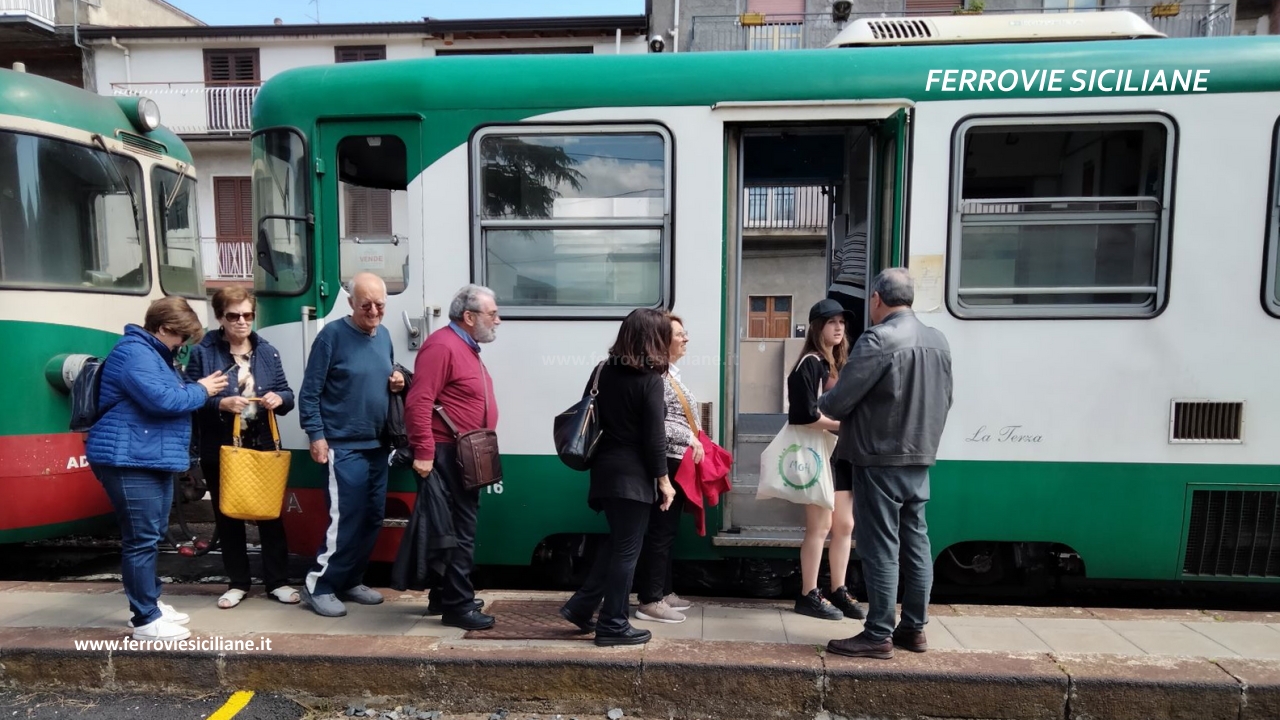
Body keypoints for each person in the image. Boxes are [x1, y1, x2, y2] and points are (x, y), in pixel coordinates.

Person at [819, 268, 953, 659]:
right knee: (916, 541)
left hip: (879, 456)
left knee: (880, 546)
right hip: (919, 454)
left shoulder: (878, 338)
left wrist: (827, 398)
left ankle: (878, 632)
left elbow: (837, 402)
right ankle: (914, 628)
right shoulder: (938, 340)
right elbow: (946, 399)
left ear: (876, 298)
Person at [86, 297, 229, 641]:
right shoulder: (134, 353)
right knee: (141, 540)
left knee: (148, 537)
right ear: (164, 328)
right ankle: (145, 619)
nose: (182, 346)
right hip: (129, 459)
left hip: (147, 456)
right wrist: (201, 389)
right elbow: (165, 401)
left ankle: (151, 603)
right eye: (180, 337)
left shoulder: (151, 355)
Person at [560, 308, 676, 647]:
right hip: (634, 477)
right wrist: (664, 481)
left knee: (619, 544)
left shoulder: (602, 371)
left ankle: (581, 608)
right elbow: (655, 438)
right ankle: (612, 623)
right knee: (628, 551)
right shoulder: (651, 380)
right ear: (654, 338)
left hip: (605, 471)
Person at [298, 272, 405, 617]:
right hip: (342, 446)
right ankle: (320, 585)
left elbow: (383, 371)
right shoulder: (332, 336)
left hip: (377, 444)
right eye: (366, 305)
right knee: (345, 519)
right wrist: (316, 436)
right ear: (350, 304)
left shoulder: (384, 335)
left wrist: (398, 376)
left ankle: (350, 579)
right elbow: (310, 392)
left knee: (371, 518)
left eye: (380, 305)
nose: (373, 311)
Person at [186, 286, 298, 610]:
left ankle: (277, 582)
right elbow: (190, 399)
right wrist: (221, 403)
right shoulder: (203, 352)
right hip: (220, 447)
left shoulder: (267, 351)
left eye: (248, 315)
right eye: (233, 316)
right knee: (228, 516)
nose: (241, 322)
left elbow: (287, 393)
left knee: (271, 515)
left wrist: (279, 399)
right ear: (220, 317)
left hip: (261, 444)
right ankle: (238, 583)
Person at [405, 284, 502, 631]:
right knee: (460, 530)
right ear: (469, 316)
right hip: (447, 453)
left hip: (464, 451)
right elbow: (418, 401)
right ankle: (458, 607)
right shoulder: (442, 346)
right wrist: (424, 451)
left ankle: (444, 595)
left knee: (449, 529)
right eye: (493, 314)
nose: (498, 320)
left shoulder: (463, 346)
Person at [785, 299, 863, 622]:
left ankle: (839, 589)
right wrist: (842, 425)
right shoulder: (810, 363)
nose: (839, 327)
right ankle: (808, 593)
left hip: (839, 454)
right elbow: (802, 416)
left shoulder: (837, 364)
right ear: (817, 327)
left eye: (842, 322)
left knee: (845, 524)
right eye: (831, 322)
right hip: (818, 452)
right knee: (820, 526)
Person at [633, 313, 700, 625]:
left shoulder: (670, 374)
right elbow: (657, 424)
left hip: (675, 461)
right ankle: (651, 599)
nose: (685, 339)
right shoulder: (658, 378)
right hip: (666, 462)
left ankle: (663, 590)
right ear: (662, 341)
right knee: (660, 531)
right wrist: (690, 437)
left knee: (667, 530)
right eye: (679, 334)